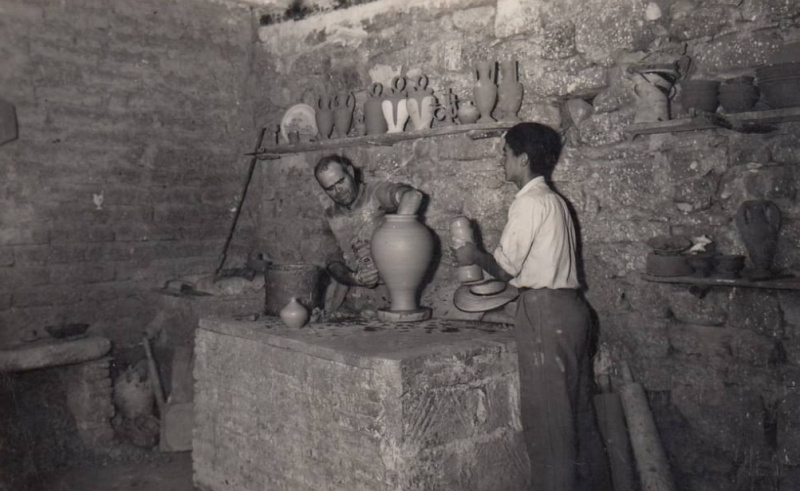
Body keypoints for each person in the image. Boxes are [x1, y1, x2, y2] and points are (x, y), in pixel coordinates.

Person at [453, 123, 608, 491]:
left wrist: (472, 253)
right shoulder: (555, 201)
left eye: (505, 153)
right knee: (580, 416)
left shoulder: (528, 202)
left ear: (523, 159)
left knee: (549, 426)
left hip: (546, 315)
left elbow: (506, 268)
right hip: (573, 311)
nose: (501, 161)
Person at [315, 154, 423, 293]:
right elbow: (333, 264)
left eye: (341, 181)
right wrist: (356, 278)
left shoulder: (375, 193)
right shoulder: (330, 216)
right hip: (356, 292)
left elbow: (411, 196)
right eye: (330, 188)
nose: (338, 191)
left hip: (396, 287)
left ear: (351, 172)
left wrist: (397, 236)